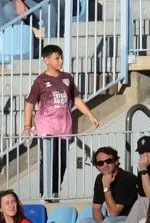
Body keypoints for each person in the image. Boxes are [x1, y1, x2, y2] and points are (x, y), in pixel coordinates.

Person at [23, 44, 100, 203]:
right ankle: (46, 194)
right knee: (49, 160)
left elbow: (76, 99)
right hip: (47, 126)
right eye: (57, 58)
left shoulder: (67, 78)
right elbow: (30, 104)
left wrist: (90, 115)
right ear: (47, 60)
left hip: (64, 127)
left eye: (61, 57)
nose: (61, 61)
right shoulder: (40, 81)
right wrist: (27, 126)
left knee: (62, 163)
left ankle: (55, 193)